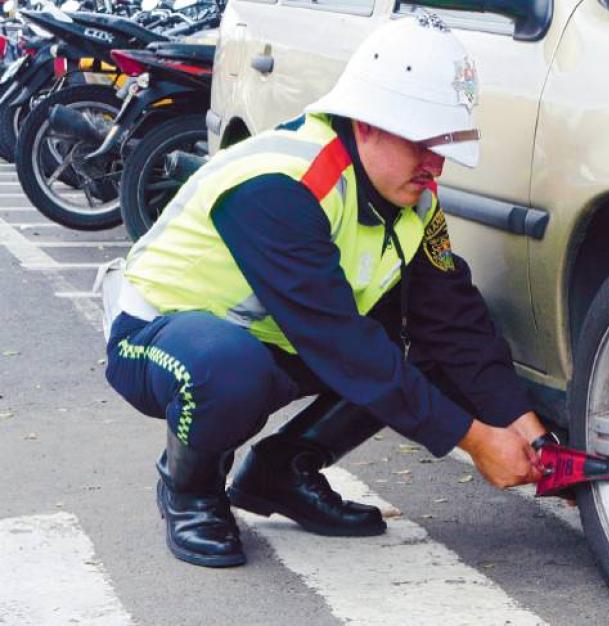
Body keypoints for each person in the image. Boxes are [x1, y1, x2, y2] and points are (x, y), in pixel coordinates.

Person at [102, 13, 552, 569]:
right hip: (156, 337)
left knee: (421, 350)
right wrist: (475, 439)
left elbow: (454, 320)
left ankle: (281, 472)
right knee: (232, 369)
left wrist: (521, 423)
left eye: (443, 144)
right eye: (422, 142)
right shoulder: (280, 185)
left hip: (276, 340)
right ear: (367, 124)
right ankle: (190, 491)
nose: (435, 164)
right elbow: (340, 344)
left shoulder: (411, 198)